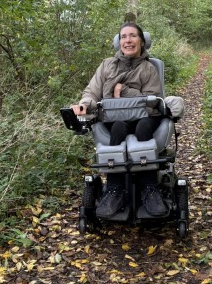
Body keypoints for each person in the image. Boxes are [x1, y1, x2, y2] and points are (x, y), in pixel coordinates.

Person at [71, 22, 168, 218]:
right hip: (114, 118)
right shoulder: (107, 65)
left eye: (133, 36)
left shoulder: (149, 68)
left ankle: (150, 188)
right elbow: (92, 92)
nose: (128, 40)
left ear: (142, 41)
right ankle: (115, 189)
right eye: (124, 37)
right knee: (117, 127)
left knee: (143, 127)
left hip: (145, 117)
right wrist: (85, 104)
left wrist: (122, 91)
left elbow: (151, 100)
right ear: (119, 42)